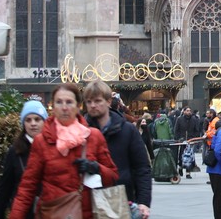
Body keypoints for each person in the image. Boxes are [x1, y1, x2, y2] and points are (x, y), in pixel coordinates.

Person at [9, 83, 119, 219]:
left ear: (78, 106)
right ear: (53, 106)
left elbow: (113, 177)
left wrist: (96, 168)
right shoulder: (41, 141)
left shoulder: (93, 137)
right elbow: (27, 188)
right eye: (59, 102)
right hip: (52, 213)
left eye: (69, 102)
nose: (64, 107)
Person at [83, 80, 152, 219]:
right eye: (89, 101)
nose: (93, 105)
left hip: (121, 199)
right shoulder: (80, 131)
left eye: (97, 101)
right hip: (87, 201)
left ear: (109, 101)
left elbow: (142, 168)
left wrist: (143, 202)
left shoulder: (128, 130)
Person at [0, 100, 48, 219]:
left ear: (44, 121)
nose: (33, 124)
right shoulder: (15, 151)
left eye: (37, 119)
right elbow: (5, 188)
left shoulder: (54, 147)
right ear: (23, 124)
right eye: (28, 120)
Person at [174, 106, 202, 178]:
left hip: (191, 140)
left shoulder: (194, 119)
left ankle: (188, 172)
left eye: (189, 111)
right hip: (182, 140)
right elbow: (176, 130)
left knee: (190, 156)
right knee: (181, 155)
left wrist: (195, 139)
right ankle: (180, 167)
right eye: (187, 111)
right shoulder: (179, 119)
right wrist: (178, 138)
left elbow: (197, 130)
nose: (189, 112)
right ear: (184, 112)